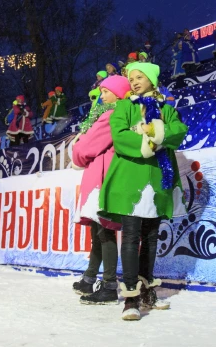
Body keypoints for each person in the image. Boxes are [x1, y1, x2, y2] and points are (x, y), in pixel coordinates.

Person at [98, 62, 188, 321]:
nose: (134, 81)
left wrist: (157, 132)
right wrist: (149, 140)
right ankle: (131, 299)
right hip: (131, 180)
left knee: (150, 238)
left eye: (140, 77)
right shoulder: (125, 107)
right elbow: (120, 136)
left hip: (158, 179)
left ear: (152, 79)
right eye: (131, 78)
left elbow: (178, 132)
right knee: (130, 237)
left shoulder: (166, 109)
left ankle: (148, 292)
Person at [71, 75, 132, 305]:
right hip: (100, 175)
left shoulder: (112, 115)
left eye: (106, 91)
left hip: (102, 177)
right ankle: (90, 277)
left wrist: (77, 150)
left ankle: (108, 285)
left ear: (118, 93)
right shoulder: (115, 113)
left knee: (104, 231)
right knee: (98, 231)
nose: (102, 96)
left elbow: (87, 146)